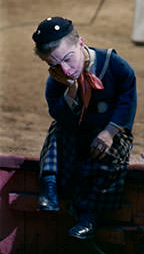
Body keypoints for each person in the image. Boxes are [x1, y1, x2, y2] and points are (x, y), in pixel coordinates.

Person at [33, 16, 136, 239]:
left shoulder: (114, 65)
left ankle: (90, 215)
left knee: (113, 157)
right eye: (54, 65)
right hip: (77, 133)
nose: (65, 69)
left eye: (68, 59)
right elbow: (60, 115)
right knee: (56, 131)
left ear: (81, 43)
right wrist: (70, 92)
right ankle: (49, 189)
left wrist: (110, 131)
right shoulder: (57, 81)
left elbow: (127, 99)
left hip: (109, 133)